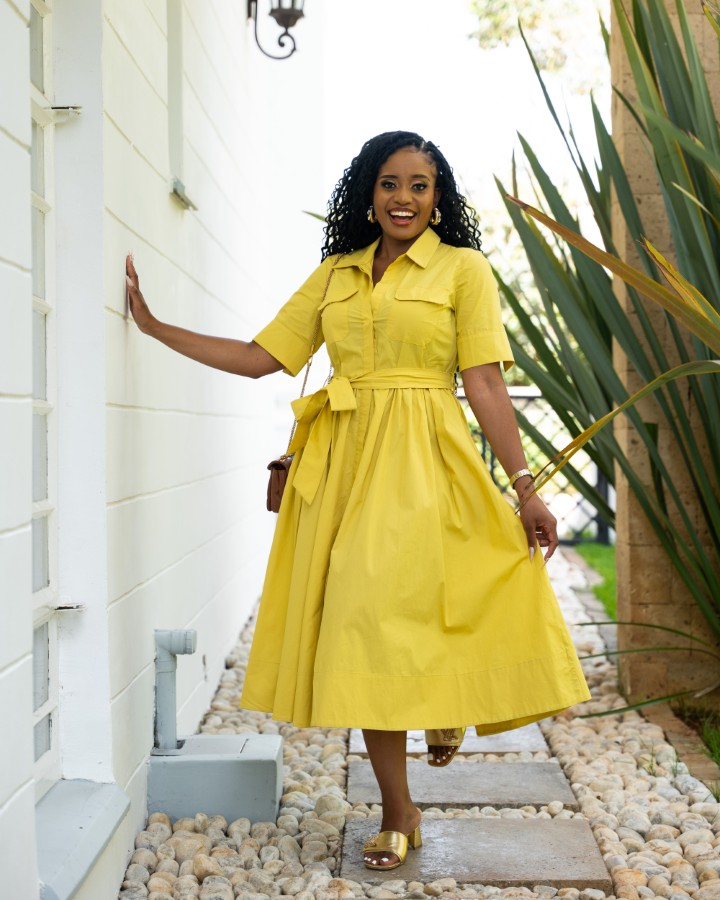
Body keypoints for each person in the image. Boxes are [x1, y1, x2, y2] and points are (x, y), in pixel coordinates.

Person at [126, 130, 591, 872]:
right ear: (367, 194)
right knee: (368, 619)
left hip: (429, 455)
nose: (404, 198)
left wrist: (525, 485)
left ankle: (443, 705)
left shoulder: (464, 270)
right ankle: (399, 807)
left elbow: (485, 384)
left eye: (420, 185)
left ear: (439, 199)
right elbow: (260, 359)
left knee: (442, 594)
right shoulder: (336, 274)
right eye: (389, 183)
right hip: (344, 462)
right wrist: (153, 327)